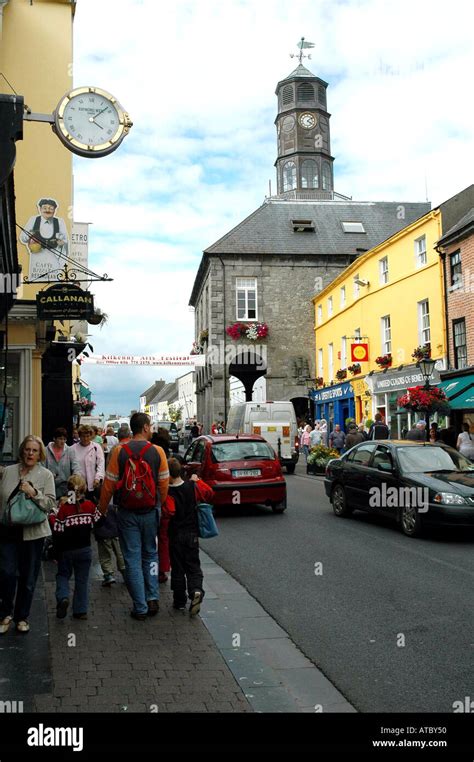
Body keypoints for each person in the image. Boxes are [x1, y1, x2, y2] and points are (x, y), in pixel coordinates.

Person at [98, 413, 169, 621]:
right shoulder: (158, 451)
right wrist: (159, 503)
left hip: (127, 512)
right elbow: (164, 483)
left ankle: (140, 607)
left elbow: (109, 484)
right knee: (150, 554)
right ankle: (153, 596)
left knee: (132, 558)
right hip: (150, 511)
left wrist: (101, 510)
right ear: (145, 427)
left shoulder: (120, 451)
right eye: (151, 426)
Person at [0, 436, 56, 634]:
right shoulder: (8, 472)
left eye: (34, 450)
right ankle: (5, 613)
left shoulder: (46, 475)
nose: (30, 453)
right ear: (22, 451)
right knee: (6, 573)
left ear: (39, 454)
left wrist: (33, 492)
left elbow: (50, 505)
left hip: (33, 533)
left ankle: (22, 616)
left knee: (28, 577)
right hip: (7, 530)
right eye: (27, 449)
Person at [166, 457, 214, 615]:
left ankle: (179, 601)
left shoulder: (167, 491)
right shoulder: (191, 486)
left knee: (178, 568)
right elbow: (209, 493)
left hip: (175, 535)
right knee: (193, 566)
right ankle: (196, 590)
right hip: (192, 534)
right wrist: (197, 481)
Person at [53, 475, 102, 620]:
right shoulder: (89, 506)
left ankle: (63, 597)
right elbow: (99, 520)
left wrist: (56, 553)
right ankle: (80, 610)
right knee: (82, 580)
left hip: (66, 551)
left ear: (68, 490)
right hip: (85, 549)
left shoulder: (64, 509)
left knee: (62, 575)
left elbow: (57, 531)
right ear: (85, 489)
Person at [19, 197, 68, 281]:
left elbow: (65, 240)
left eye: (51, 208)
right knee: (35, 281)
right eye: (44, 208)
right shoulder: (33, 220)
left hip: (53, 257)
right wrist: (29, 235)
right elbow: (22, 238)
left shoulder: (60, 222)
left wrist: (62, 242)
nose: (47, 210)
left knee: (53, 282)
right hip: (36, 259)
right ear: (40, 209)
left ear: (55, 210)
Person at [71, 425, 105, 502]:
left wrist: (97, 478)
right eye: (83, 436)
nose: (86, 439)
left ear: (91, 436)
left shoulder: (96, 447)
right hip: (77, 485)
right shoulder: (72, 449)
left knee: (91, 506)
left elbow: (101, 463)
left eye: (88, 436)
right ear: (79, 436)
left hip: (93, 484)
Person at [45, 427, 80, 498]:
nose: (63, 441)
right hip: (49, 487)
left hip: (66, 488)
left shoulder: (70, 451)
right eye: (60, 439)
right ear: (54, 438)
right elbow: (41, 468)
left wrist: (76, 477)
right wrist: (49, 475)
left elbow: (76, 466)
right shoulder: (45, 451)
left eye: (64, 439)